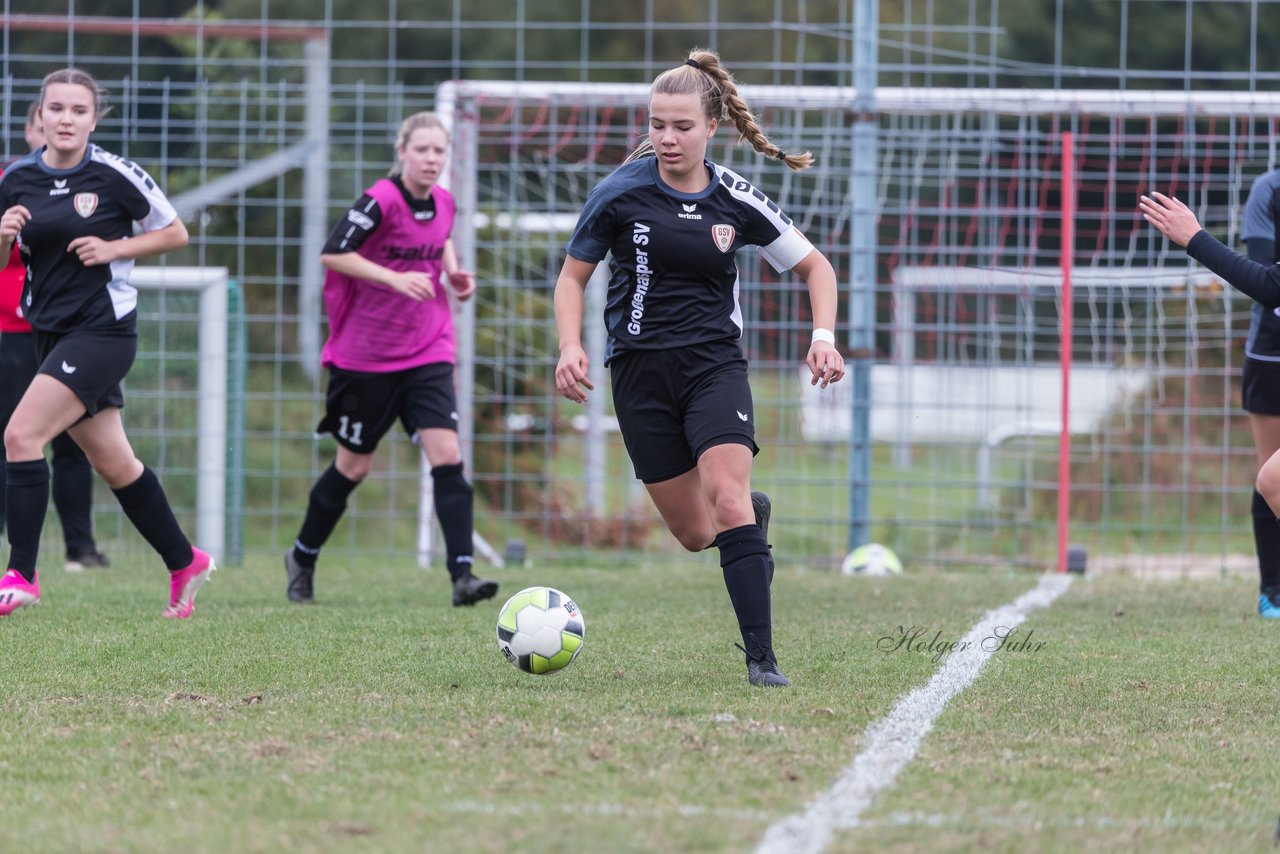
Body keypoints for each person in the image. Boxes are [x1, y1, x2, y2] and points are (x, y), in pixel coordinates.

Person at [553, 49, 845, 686]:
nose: (666, 137)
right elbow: (572, 279)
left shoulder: (735, 198)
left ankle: (763, 662)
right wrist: (570, 346)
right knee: (693, 532)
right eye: (657, 124)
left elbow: (816, 267)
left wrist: (823, 335)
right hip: (637, 372)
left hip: (714, 367)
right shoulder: (619, 193)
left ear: (711, 127)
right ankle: (747, 525)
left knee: (729, 497)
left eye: (681, 126)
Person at [0, 68, 214, 618]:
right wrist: (1, 238)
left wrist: (117, 247)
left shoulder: (115, 174)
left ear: (95, 119)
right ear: (39, 117)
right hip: (51, 332)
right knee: (116, 464)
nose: (66, 119)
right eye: (56, 109)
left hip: (103, 332)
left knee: (21, 435)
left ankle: (21, 573)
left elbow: (175, 231)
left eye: (78, 110)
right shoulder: (16, 179)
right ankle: (184, 559)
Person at [283, 111, 499, 608]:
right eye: (421, 150)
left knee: (447, 457)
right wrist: (393, 278)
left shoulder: (445, 202)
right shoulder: (381, 199)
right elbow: (333, 252)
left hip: (427, 350)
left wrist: (455, 273)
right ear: (402, 152)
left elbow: (439, 239)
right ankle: (302, 555)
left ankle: (462, 577)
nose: (430, 159)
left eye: (438, 151)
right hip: (365, 358)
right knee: (353, 467)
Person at [1141, 189, 1280, 618]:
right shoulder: (1269, 189)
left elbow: (1268, 285)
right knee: (1271, 479)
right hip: (1268, 359)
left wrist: (1196, 238)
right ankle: (1271, 590)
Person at [1, 100, 109, 574]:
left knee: (76, 444)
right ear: (32, 129)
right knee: (14, 436)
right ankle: (16, 552)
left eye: (77, 112)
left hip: (73, 333)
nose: (57, 126)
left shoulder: (92, 186)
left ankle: (79, 548)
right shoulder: (13, 186)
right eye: (46, 117)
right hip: (14, 332)